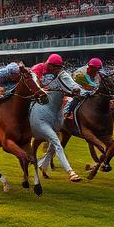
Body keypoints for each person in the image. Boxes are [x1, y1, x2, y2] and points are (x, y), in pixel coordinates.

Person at [29, 54, 84, 182]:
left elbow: (70, 84)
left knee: (54, 141)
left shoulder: (60, 74)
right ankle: (70, 171)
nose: (58, 69)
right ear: (49, 65)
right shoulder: (39, 68)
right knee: (56, 141)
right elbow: (33, 81)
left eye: (60, 67)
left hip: (54, 103)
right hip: (35, 95)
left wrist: (77, 89)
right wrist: (40, 89)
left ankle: (43, 165)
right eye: (56, 67)